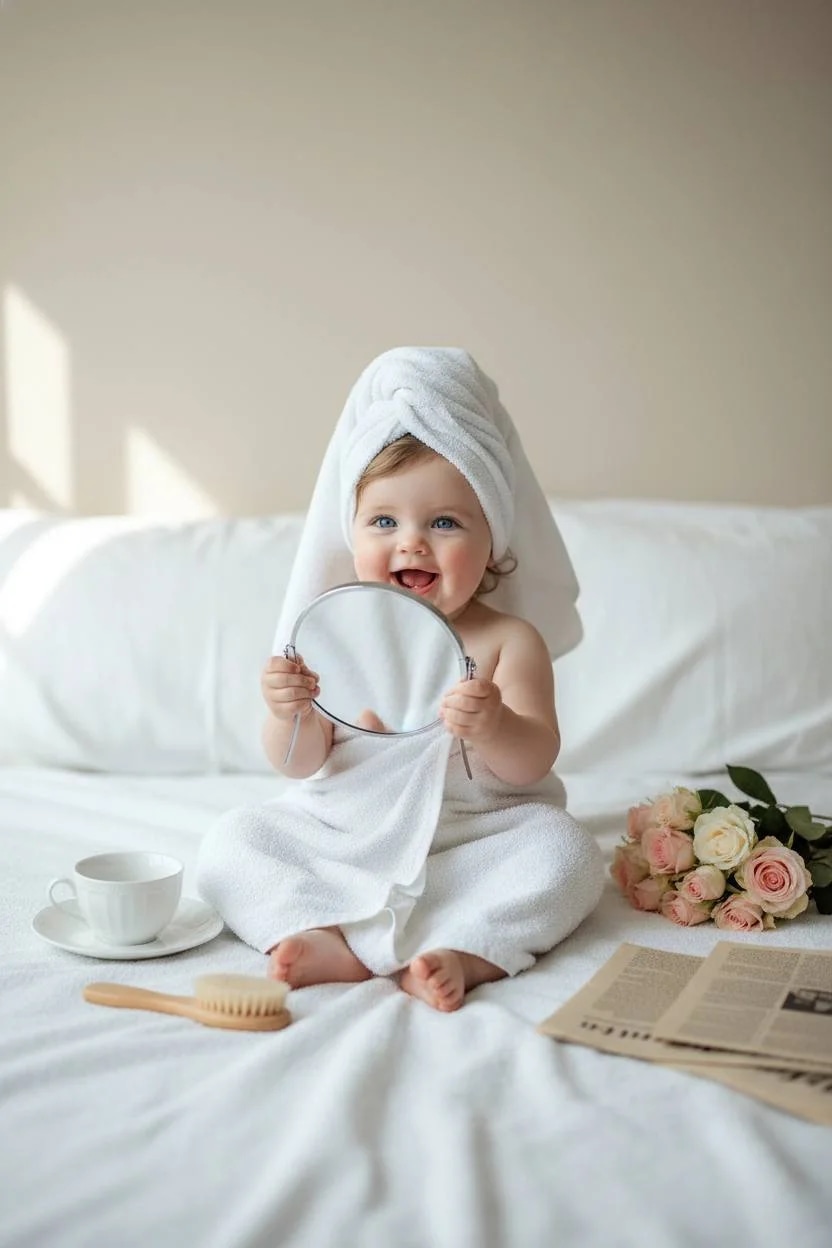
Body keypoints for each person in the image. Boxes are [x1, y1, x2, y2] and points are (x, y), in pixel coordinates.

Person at [197, 347, 604, 1012]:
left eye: (444, 522)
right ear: (351, 534)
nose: (411, 541)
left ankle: (467, 949)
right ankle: (318, 932)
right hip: (344, 836)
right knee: (232, 842)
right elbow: (299, 766)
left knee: (569, 854)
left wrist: (497, 725)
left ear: (494, 541)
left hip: (473, 842)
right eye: (384, 521)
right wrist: (290, 713)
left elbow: (535, 761)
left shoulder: (508, 642)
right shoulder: (331, 635)